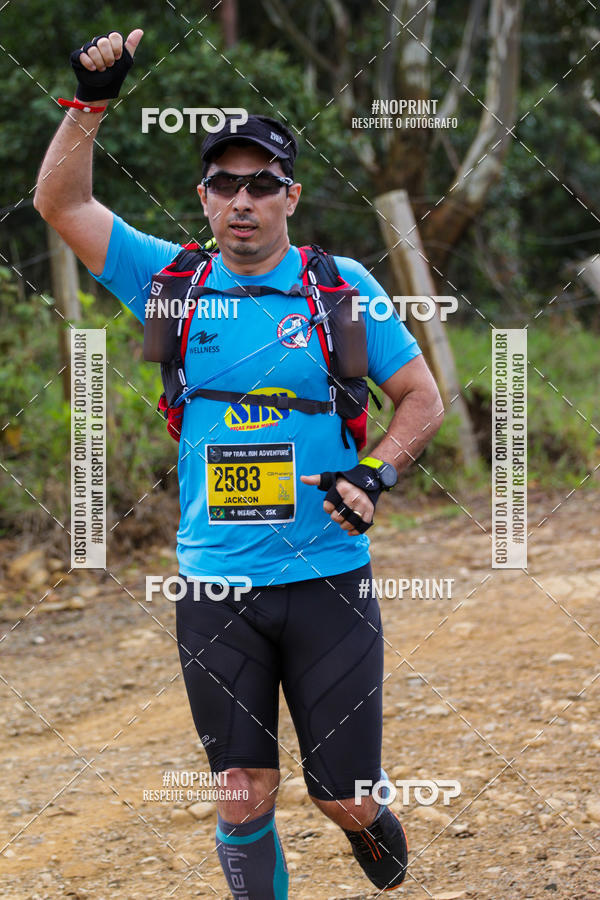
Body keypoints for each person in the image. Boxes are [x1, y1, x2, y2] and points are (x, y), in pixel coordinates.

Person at [34, 29, 444, 898]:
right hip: (216, 582)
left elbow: (422, 398)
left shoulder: (343, 287)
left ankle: (364, 818)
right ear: (205, 197)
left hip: (329, 578)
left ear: (290, 195)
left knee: (340, 794)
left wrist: (374, 474)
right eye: (226, 183)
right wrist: (89, 105)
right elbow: (62, 205)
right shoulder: (169, 283)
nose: (243, 200)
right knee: (241, 789)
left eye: (262, 183)